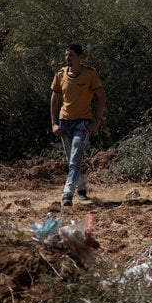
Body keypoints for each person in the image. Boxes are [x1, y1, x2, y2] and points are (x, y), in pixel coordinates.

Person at [50, 43, 106, 206]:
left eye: (71, 55)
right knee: (71, 159)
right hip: (64, 122)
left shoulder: (90, 74)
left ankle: (67, 194)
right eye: (66, 55)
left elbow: (101, 96)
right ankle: (81, 189)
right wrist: (54, 123)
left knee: (75, 160)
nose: (68, 58)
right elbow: (54, 99)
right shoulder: (60, 74)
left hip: (82, 124)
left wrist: (97, 120)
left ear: (80, 58)